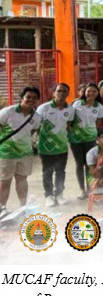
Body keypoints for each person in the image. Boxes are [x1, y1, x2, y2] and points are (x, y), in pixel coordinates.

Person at [0, 87, 42, 216]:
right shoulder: (7, 112)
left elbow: (32, 132)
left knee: (22, 180)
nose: (31, 100)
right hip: (6, 154)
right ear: (22, 97)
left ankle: (23, 207)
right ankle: (2, 208)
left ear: (37, 101)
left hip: (25, 154)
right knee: (4, 181)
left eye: (34, 98)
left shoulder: (37, 117)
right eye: (28, 97)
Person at [36, 83, 75, 207]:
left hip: (62, 147)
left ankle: (59, 194)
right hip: (46, 148)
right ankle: (49, 196)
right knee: (47, 171)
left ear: (68, 94)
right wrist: (44, 140)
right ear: (54, 93)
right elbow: (37, 126)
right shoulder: (44, 108)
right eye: (59, 91)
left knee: (60, 171)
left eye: (64, 91)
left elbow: (68, 126)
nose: (61, 93)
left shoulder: (70, 109)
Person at [69, 83, 103, 200]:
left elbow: (98, 123)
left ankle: (91, 189)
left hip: (90, 139)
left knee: (90, 164)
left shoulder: (99, 107)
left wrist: (91, 133)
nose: (91, 93)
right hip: (76, 139)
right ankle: (82, 190)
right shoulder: (76, 104)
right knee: (79, 164)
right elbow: (69, 120)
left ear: (97, 93)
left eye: (94, 91)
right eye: (89, 91)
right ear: (84, 91)